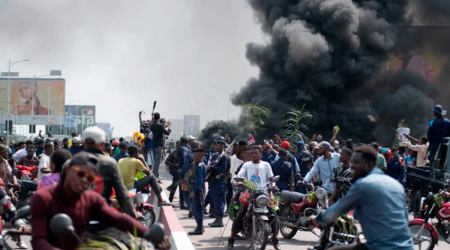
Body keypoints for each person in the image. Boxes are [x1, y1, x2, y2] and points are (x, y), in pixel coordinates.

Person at [30, 152, 171, 250]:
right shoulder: (43, 198)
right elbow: (39, 241)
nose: (84, 180)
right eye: (80, 173)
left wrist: (148, 234)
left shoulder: (90, 198)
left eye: (89, 177)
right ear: (67, 172)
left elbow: (118, 219)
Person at [309, 146, 414, 250]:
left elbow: (339, 207)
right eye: (352, 164)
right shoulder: (396, 185)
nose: (353, 169)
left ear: (369, 165)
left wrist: (318, 219)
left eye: (356, 165)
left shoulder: (363, 184)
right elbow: (405, 219)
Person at [227, 145, 280, 250]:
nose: (254, 155)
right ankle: (231, 240)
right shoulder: (246, 165)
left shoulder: (266, 165)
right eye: (252, 153)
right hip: (250, 194)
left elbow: (271, 180)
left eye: (256, 153)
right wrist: (239, 182)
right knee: (240, 214)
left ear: (260, 155)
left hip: (263, 194)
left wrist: (273, 188)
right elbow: (241, 176)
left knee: (274, 214)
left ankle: (275, 239)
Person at [81, 126, 135, 218]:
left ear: (82, 143)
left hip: (78, 217)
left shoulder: (70, 163)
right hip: (103, 217)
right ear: (102, 144)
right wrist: (133, 214)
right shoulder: (109, 163)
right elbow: (122, 193)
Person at [207, 140, 230, 227]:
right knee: (215, 200)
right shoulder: (215, 155)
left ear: (221, 146)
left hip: (220, 181)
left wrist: (211, 167)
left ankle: (219, 220)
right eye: (215, 145)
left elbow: (222, 169)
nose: (215, 147)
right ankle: (217, 218)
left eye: (218, 145)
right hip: (213, 181)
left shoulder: (225, 157)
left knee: (219, 200)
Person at [188, 148, 207, 235]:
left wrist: (194, 192)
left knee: (197, 208)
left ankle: (199, 227)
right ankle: (199, 227)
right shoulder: (196, 164)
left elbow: (199, 181)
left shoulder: (200, 165)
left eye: (194, 155)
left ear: (199, 155)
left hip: (197, 189)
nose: (193, 156)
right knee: (195, 208)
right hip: (193, 186)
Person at [149, 112, 171, 178]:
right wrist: (169, 126)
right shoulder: (159, 125)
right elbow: (167, 132)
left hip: (154, 144)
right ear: (159, 117)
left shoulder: (152, 124)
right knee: (157, 161)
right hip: (158, 145)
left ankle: (156, 174)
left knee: (155, 160)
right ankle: (154, 175)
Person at [176, 137, 190, 210]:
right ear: (187, 142)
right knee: (184, 187)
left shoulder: (179, 148)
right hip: (184, 170)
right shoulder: (184, 149)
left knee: (182, 187)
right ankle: (183, 203)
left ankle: (182, 203)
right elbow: (185, 159)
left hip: (180, 168)